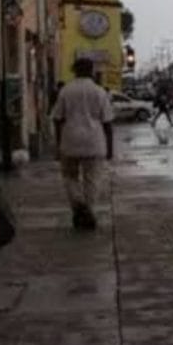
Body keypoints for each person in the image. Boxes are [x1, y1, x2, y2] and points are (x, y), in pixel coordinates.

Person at [51, 58, 114, 231]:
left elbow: (57, 119)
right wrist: (110, 148)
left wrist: (58, 144)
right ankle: (89, 211)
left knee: (70, 177)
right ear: (91, 71)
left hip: (70, 141)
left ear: (74, 70)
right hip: (95, 142)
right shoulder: (99, 92)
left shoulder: (66, 91)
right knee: (92, 180)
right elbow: (107, 122)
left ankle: (78, 206)